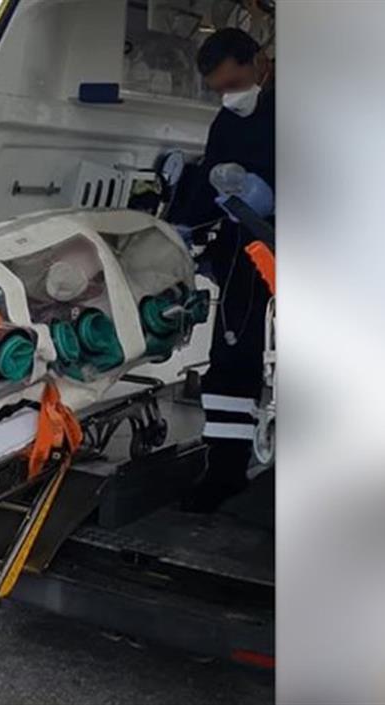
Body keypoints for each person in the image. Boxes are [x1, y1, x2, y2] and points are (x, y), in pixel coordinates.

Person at [170, 28, 274, 511]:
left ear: (259, 61)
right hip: (243, 257)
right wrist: (183, 227)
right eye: (219, 90)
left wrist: (270, 196)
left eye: (234, 84)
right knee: (231, 358)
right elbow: (209, 180)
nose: (230, 96)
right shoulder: (227, 122)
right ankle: (225, 471)